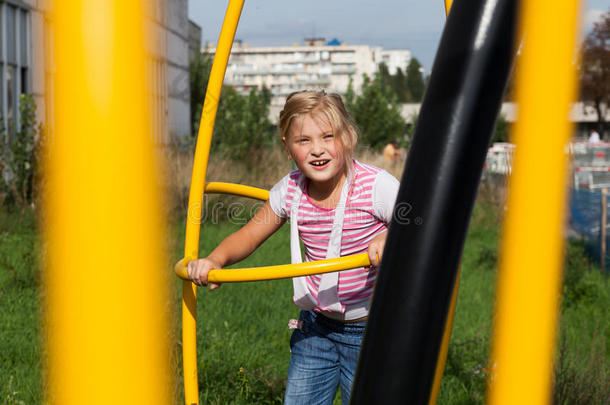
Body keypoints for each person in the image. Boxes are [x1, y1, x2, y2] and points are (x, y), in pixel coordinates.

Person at [187, 90, 399, 404]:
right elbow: (249, 235)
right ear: (288, 147)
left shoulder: (375, 186)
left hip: (371, 329)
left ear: (348, 137)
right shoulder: (291, 189)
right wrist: (215, 259)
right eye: (303, 141)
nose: (317, 150)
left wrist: (390, 238)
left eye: (328, 136)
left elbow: (420, 226)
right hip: (315, 328)